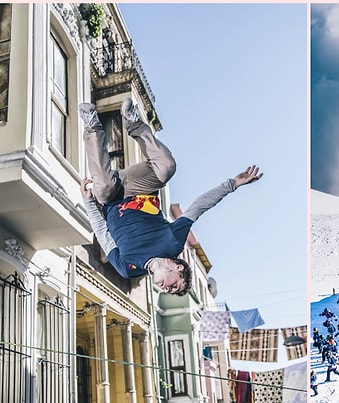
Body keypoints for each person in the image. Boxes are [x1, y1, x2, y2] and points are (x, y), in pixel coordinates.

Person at [78, 100, 262, 295]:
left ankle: (92, 125)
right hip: (140, 187)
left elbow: (103, 235)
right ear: (178, 267)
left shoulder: (127, 268)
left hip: (113, 194)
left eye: (170, 291)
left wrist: (89, 202)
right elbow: (198, 207)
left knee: (103, 188)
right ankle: (134, 123)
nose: (166, 289)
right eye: (174, 285)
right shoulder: (173, 243)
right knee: (167, 168)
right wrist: (232, 184)